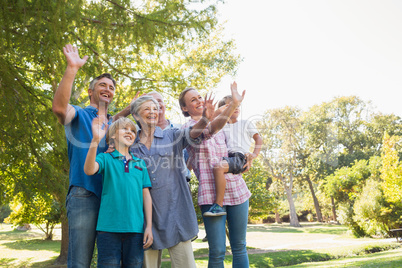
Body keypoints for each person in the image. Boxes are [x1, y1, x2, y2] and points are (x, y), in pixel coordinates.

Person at [52, 44, 126, 267]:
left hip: (112, 198)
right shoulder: (80, 114)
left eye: (111, 87)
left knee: (110, 262)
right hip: (84, 193)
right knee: (80, 262)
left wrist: (131, 109)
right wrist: (72, 68)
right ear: (90, 92)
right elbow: (59, 109)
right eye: (102, 85)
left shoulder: (116, 124)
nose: (107, 89)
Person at [180, 82, 251, 267]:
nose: (198, 101)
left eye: (199, 97)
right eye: (192, 99)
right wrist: (228, 108)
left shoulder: (218, 120)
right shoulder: (185, 130)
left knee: (239, 246)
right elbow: (209, 130)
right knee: (218, 251)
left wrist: (248, 155)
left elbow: (228, 136)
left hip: (236, 188)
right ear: (184, 108)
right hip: (211, 196)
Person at [84, 117, 153, 267]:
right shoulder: (105, 158)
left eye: (133, 130)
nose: (130, 132)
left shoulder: (140, 163)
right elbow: (89, 170)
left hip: (135, 229)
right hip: (108, 229)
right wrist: (95, 140)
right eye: (125, 129)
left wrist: (148, 227)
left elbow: (146, 195)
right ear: (113, 135)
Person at [204, 95, 263, 217]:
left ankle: (218, 205)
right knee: (218, 168)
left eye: (237, 105)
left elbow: (258, 138)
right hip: (229, 157)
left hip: (240, 157)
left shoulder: (245, 123)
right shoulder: (222, 126)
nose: (235, 108)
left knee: (218, 168)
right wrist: (218, 112)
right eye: (231, 106)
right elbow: (209, 123)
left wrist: (253, 155)